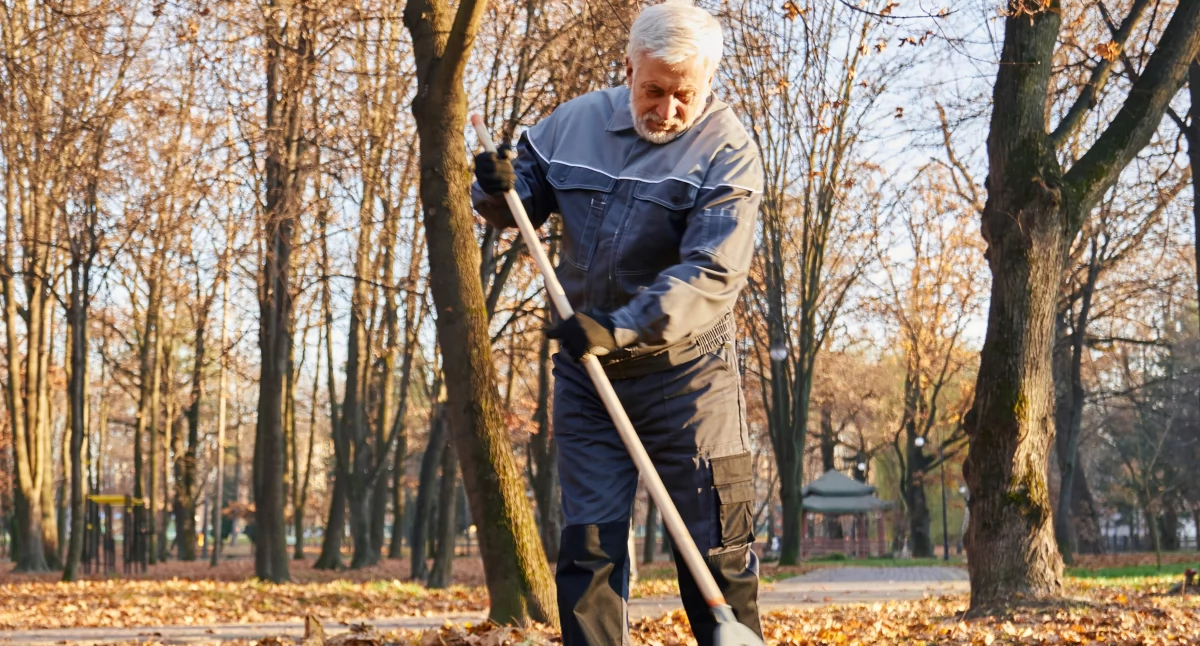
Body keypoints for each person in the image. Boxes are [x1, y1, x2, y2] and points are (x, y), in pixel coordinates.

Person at [470, 2, 763, 644]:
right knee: (590, 550)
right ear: (628, 68)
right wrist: (495, 186)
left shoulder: (728, 152)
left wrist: (622, 325)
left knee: (716, 544)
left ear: (708, 82)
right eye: (653, 90)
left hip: (690, 380)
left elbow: (713, 272)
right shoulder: (571, 125)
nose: (667, 110)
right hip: (588, 379)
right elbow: (517, 202)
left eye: (685, 95)